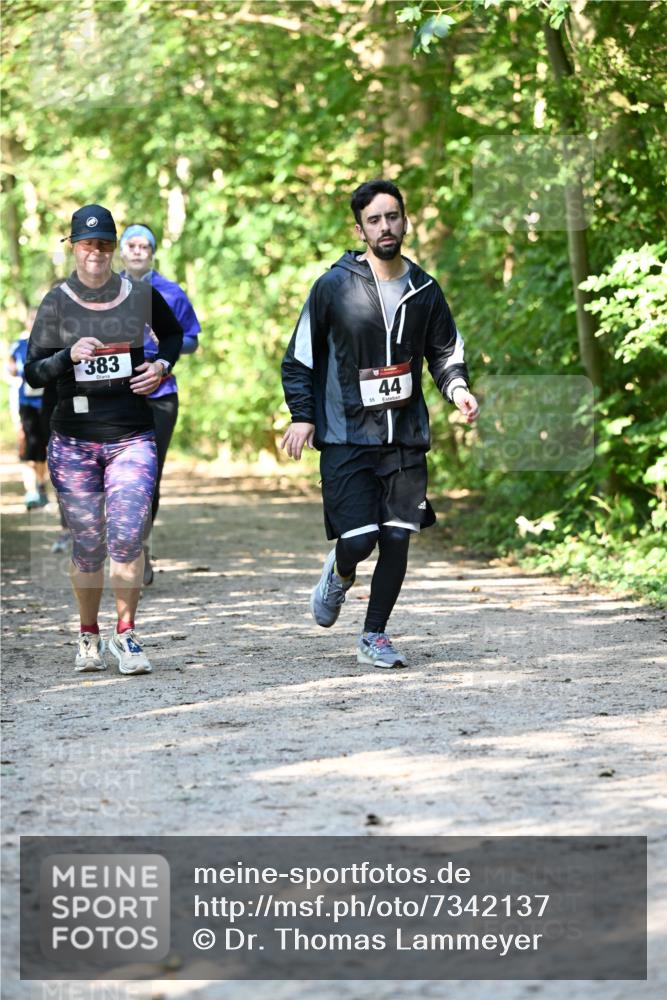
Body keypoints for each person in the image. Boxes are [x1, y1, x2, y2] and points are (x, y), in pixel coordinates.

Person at [281, 179, 479, 669]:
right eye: (374, 220)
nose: (385, 226)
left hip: (404, 436)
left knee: (396, 535)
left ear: (405, 221)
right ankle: (339, 572)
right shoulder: (333, 286)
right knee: (360, 539)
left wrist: (458, 390)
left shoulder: (425, 290)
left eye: (392, 216)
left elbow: (444, 352)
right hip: (346, 432)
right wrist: (303, 416)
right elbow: (299, 358)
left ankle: (375, 634)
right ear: (359, 228)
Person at [25, 204, 183, 676]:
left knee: (129, 535)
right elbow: (34, 373)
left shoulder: (139, 293)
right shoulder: (56, 302)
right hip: (73, 441)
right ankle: (88, 635)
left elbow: (172, 336)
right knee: (89, 545)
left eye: (104, 243)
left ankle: (127, 635)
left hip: (132, 435)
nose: (96, 252)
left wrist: (160, 366)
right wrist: (67, 357)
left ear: (114, 248)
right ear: (73, 247)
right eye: (87, 243)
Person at [119, 224, 201, 585]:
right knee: (115, 475)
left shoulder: (170, 292)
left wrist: (164, 342)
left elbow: (191, 340)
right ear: (122, 251)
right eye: (131, 245)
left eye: (145, 246)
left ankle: (142, 549)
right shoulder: (105, 290)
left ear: (152, 252)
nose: (138, 251)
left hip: (161, 396)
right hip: (116, 395)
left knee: (148, 475)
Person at [8, 312, 50, 510]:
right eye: (32, 319)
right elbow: (10, 372)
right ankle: (31, 491)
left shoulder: (51, 344)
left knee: (43, 449)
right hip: (27, 404)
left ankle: (41, 485)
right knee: (28, 447)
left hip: (48, 404)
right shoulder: (19, 346)